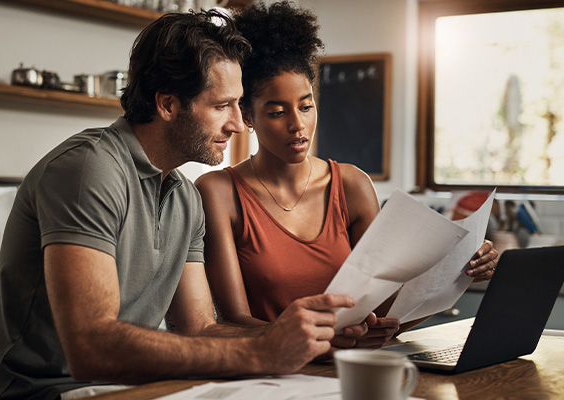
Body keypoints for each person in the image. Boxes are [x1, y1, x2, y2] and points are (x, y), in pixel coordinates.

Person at [0, 10, 362, 400]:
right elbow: (91, 347)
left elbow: (200, 329)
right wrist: (262, 350)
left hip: (132, 387)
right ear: (167, 104)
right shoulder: (89, 169)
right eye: (221, 106)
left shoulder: (184, 196)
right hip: (45, 391)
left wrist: (309, 336)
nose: (236, 123)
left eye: (238, 104)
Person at [195, 1, 498, 351]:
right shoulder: (219, 192)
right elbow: (233, 321)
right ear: (247, 115)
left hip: (351, 369)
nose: (298, 125)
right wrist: (323, 341)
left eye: (306, 106)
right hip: (270, 373)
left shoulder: (351, 185)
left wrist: (460, 271)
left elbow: (386, 310)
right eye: (277, 112)